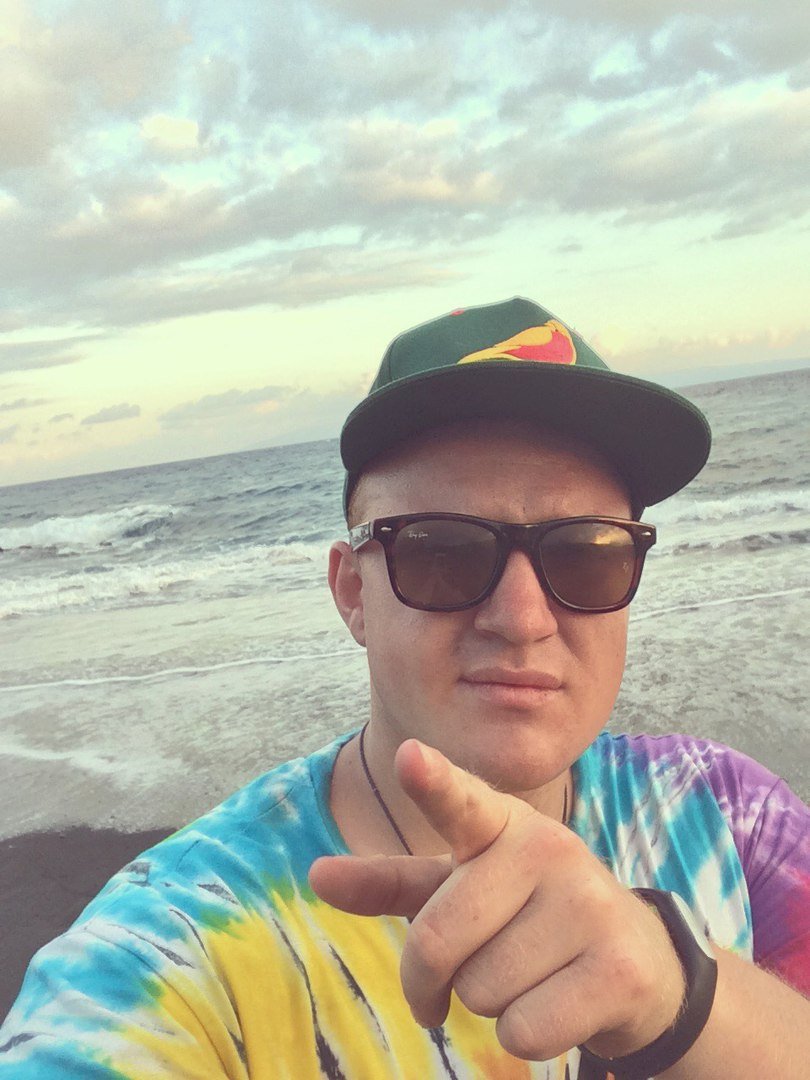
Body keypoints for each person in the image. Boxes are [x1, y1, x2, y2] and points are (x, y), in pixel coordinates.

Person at [1, 297, 808, 1078]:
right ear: (353, 592)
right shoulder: (180, 951)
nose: (523, 618)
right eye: (442, 552)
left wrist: (680, 995)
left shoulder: (732, 816)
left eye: (586, 553)